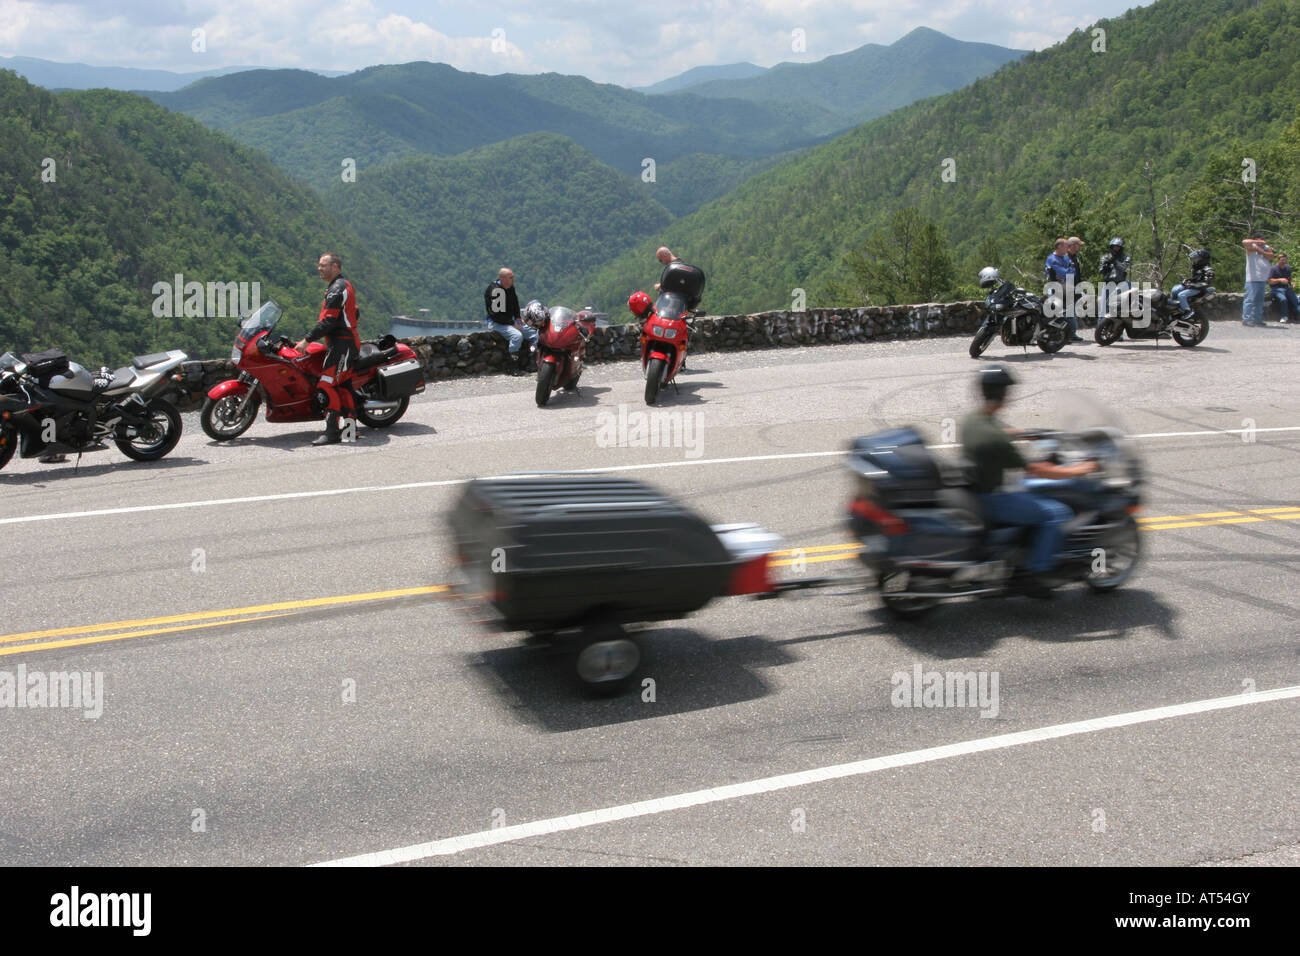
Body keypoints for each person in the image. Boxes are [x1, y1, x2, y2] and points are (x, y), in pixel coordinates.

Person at [960, 365, 1098, 598]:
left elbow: (999, 428)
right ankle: (1038, 574)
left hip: (977, 491)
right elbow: (1035, 469)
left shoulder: (973, 420)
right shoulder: (994, 439)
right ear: (1003, 393)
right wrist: (1079, 469)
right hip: (993, 499)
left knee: (1034, 495)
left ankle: (1025, 552)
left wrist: (1030, 433)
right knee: (1057, 513)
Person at [296, 252, 360, 446]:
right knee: (343, 387)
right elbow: (356, 313)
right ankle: (350, 432)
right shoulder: (342, 286)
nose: (319, 268)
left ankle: (332, 432)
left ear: (335, 267)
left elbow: (328, 321)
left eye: (323, 265)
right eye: (319, 265)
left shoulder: (337, 289)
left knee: (326, 385)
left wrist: (306, 340)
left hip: (342, 345)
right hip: (344, 343)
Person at [484, 267, 537, 376]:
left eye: (512, 277)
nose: (513, 279)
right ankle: (512, 367)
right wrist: (512, 324)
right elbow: (496, 315)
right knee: (517, 336)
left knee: (534, 333)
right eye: (510, 277)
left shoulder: (509, 287)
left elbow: (515, 303)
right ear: (502, 278)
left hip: (510, 320)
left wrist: (518, 317)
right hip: (496, 322)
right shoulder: (496, 291)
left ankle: (532, 363)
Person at [1044, 238, 1080, 340]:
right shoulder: (1051, 259)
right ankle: (1058, 336)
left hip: (1066, 287)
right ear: (1059, 246)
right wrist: (1064, 272)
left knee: (1070, 312)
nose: (1068, 248)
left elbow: (1072, 273)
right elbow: (1063, 273)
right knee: (1057, 313)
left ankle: (1071, 334)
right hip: (1054, 288)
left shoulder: (1066, 258)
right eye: (1066, 246)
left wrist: (1063, 273)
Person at [1169, 248, 1215, 320]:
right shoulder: (1198, 269)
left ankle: (1187, 311)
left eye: (1197, 259)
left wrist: (1192, 285)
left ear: (1202, 259)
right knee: (1175, 289)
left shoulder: (1208, 270)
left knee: (1181, 295)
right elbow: (1196, 279)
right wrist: (1187, 281)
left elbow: (1206, 283)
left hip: (1199, 289)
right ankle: (1174, 309)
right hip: (1192, 287)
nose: (1195, 260)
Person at [1241, 233, 1276, 326]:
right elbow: (1244, 241)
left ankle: (1257, 319)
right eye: (1261, 239)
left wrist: (1260, 250)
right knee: (1250, 300)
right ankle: (1246, 319)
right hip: (1252, 279)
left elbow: (1271, 256)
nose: (1263, 241)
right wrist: (1258, 243)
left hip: (1262, 279)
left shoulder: (1264, 248)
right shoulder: (1250, 247)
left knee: (1259, 301)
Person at [1098, 237, 1132, 317]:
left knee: (1122, 308)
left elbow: (1123, 268)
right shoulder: (1105, 257)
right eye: (1114, 246)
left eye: (1118, 247)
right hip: (1108, 284)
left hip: (1121, 284)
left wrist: (1115, 262)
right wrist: (1106, 266)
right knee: (1103, 309)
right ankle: (1100, 326)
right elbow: (1100, 270)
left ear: (1121, 248)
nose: (1116, 249)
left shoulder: (1126, 257)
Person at [1267, 252, 1299, 324]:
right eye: (1282, 260)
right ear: (1278, 260)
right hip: (1276, 289)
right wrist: (1280, 280)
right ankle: (1284, 316)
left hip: (1286, 288)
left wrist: (1292, 283)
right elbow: (1270, 281)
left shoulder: (1287, 267)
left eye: (1285, 260)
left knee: (1295, 300)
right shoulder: (1273, 269)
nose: (1283, 262)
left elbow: (1289, 278)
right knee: (1283, 299)